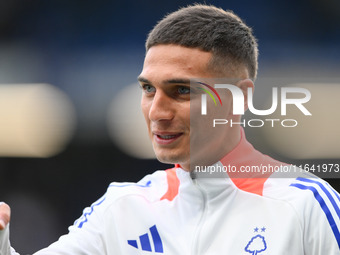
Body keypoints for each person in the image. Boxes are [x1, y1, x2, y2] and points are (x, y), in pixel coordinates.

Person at [1, 4, 340, 254]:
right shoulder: (122, 208)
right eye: (148, 89)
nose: (157, 111)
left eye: (181, 90)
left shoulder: (305, 205)